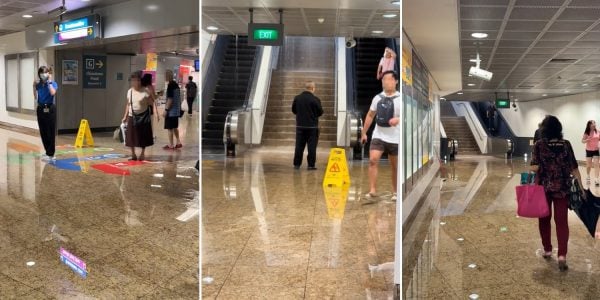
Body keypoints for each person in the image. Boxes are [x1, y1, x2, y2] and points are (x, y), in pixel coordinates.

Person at [530, 115, 584, 272]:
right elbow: (574, 167)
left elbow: (534, 168)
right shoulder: (566, 144)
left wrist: (538, 167)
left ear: (544, 130)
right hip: (562, 189)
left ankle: (547, 250)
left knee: (544, 220)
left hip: (544, 188)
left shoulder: (539, 145)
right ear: (559, 129)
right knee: (562, 222)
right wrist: (580, 187)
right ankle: (562, 256)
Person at [361, 70, 400, 201]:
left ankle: (395, 191)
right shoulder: (377, 98)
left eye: (388, 79)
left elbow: (409, 116)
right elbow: (370, 114)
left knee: (395, 166)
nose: (385, 82)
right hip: (379, 135)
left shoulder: (402, 98)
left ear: (395, 81)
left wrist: (398, 120)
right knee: (373, 160)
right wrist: (364, 132)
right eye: (384, 80)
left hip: (396, 137)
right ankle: (372, 190)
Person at [122, 71, 154, 161]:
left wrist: (151, 96)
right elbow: (128, 104)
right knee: (131, 137)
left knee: (143, 136)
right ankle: (133, 154)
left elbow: (151, 102)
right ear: (132, 81)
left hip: (143, 116)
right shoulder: (129, 91)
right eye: (134, 80)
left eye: (138, 80)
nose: (137, 82)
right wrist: (125, 116)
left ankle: (142, 154)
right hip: (132, 116)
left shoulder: (145, 90)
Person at [292, 81, 323, 170]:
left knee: (299, 146)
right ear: (313, 88)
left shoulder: (297, 98)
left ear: (306, 88)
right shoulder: (316, 99)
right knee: (312, 147)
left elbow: (294, 110)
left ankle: (297, 164)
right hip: (312, 127)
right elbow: (320, 112)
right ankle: (311, 165)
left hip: (300, 127)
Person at [33, 66, 58, 162]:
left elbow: (52, 93)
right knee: (43, 131)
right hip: (41, 108)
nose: (44, 74)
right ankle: (48, 152)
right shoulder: (38, 85)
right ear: (39, 74)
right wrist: (33, 86)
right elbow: (35, 97)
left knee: (50, 131)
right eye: (42, 73)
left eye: (45, 72)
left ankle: (51, 154)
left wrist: (49, 82)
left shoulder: (53, 84)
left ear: (48, 73)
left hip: (50, 108)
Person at [163, 70, 182, 150]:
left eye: (165, 75)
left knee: (170, 128)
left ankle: (171, 145)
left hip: (171, 111)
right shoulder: (176, 85)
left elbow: (170, 99)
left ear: (168, 76)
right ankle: (178, 142)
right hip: (176, 111)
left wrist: (166, 110)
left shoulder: (170, 85)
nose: (165, 77)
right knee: (174, 127)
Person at [582, 120, 600, 186]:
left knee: (596, 165)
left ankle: (596, 179)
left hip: (596, 150)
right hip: (589, 150)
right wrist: (587, 140)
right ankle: (588, 176)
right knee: (588, 165)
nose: (594, 124)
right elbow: (582, 141)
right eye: (593, 123)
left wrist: (598, 145)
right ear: (589, 125)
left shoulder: (598, 131)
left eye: (595, 123)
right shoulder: (587, 132)